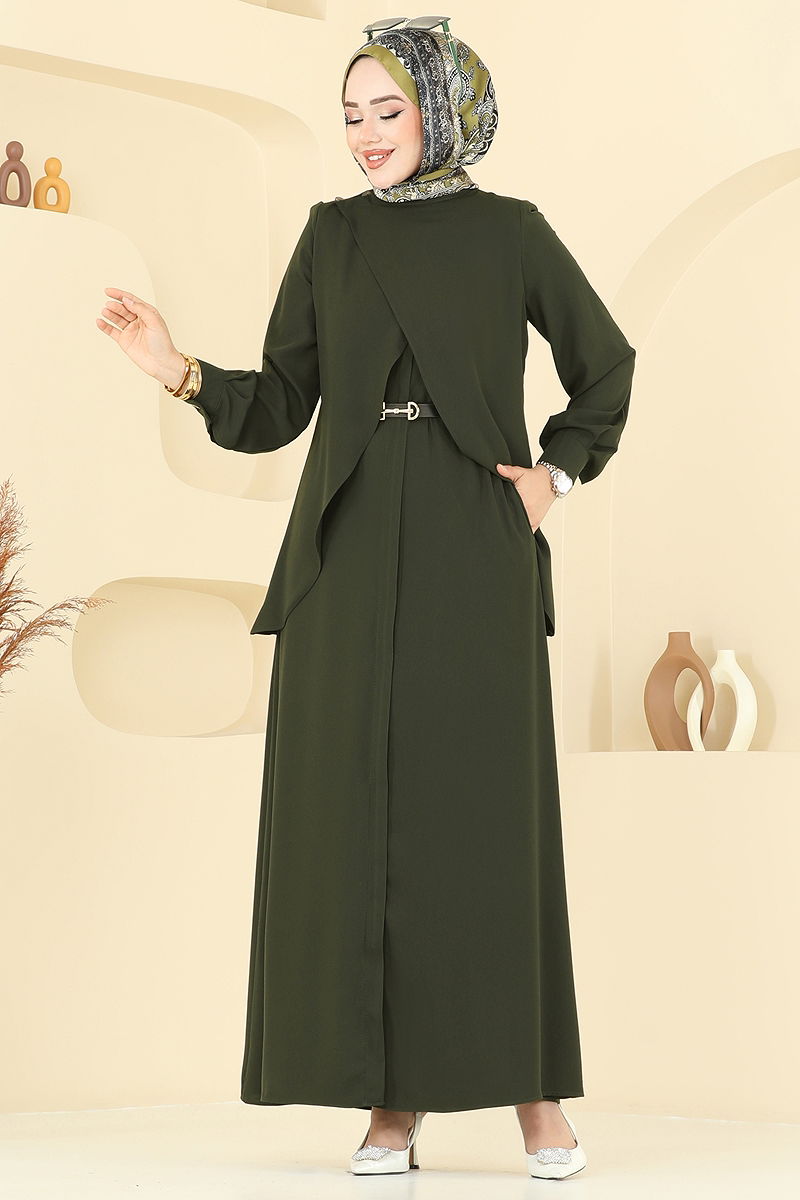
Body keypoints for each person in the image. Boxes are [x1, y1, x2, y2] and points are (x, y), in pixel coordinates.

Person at [95, 16, 635, 1181]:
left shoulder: (510, 231)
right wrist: (176, 370)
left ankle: (533, 1096)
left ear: (441, 111)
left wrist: (552, 476)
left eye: (386, 110)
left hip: (471, 534)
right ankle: (390, 1101)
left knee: (482, 822)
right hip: (341, 546)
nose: (364, 135)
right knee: (357, 827)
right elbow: (279, 405)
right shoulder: (331, 236)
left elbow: (605, 366)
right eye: (349, 115)